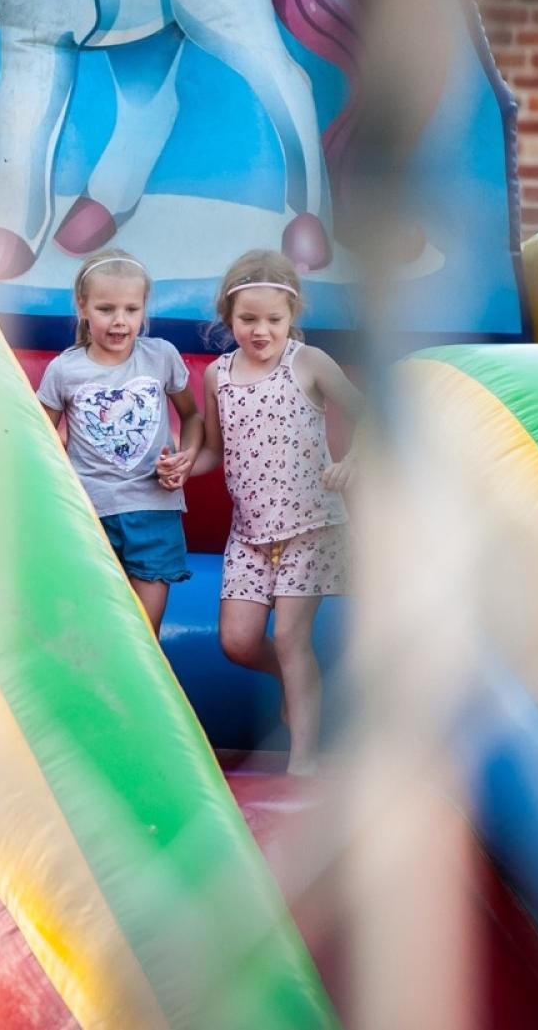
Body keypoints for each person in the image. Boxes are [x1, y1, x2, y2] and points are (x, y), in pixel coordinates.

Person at [190, 250, 361, 776]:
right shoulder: (218, 375)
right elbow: (216, 451)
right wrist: (178, 468)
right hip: (250, 534)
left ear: (292, 317)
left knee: (290, 637)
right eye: (247, 320)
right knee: (237, 642)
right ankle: (297, 680)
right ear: (228, 317)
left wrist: (353, 460)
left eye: (273, 320)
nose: (260, 331)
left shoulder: (307, 363)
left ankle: (303, 760)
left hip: (311, 525)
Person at [37, 249, 202, 630]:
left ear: (144, 309)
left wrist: (186, 458)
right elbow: (41, 440)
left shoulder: (161, 356)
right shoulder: (64, 370)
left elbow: (192, 416)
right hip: (90, 518)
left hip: (154, 513)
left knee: (145, 637)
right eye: (106, 308)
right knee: (95, 632)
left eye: (131, 309)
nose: (119, 321)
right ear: (82, 306)